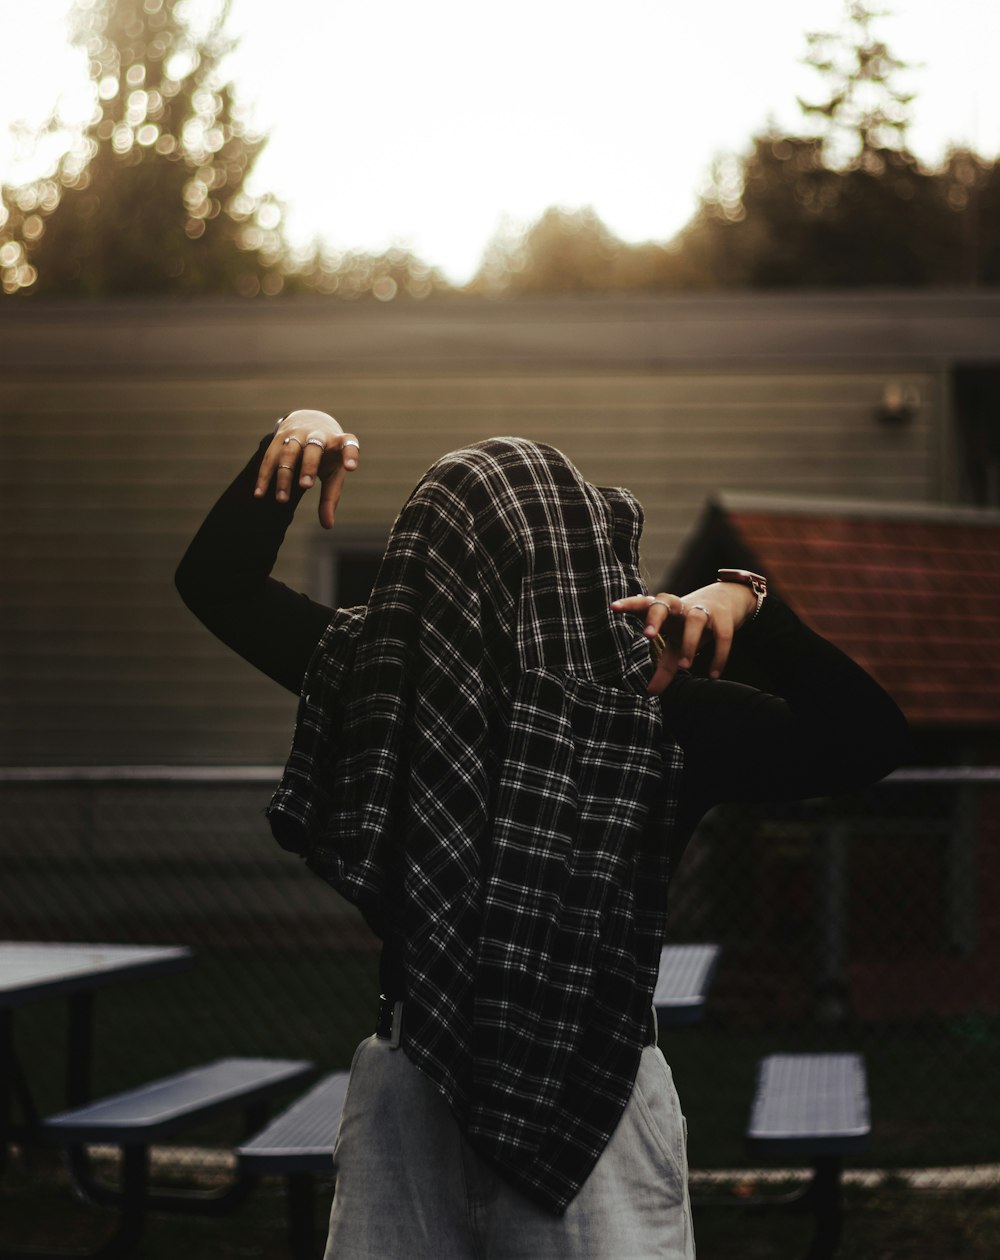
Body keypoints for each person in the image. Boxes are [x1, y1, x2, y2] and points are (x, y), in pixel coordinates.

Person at [175, 408, 913, 1260]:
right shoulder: (393, 676)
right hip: (443, 1087)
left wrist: (747, 600)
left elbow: (869, 741)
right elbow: (870, 739)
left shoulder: (632, 704)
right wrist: (292, 445)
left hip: (562, 1087)